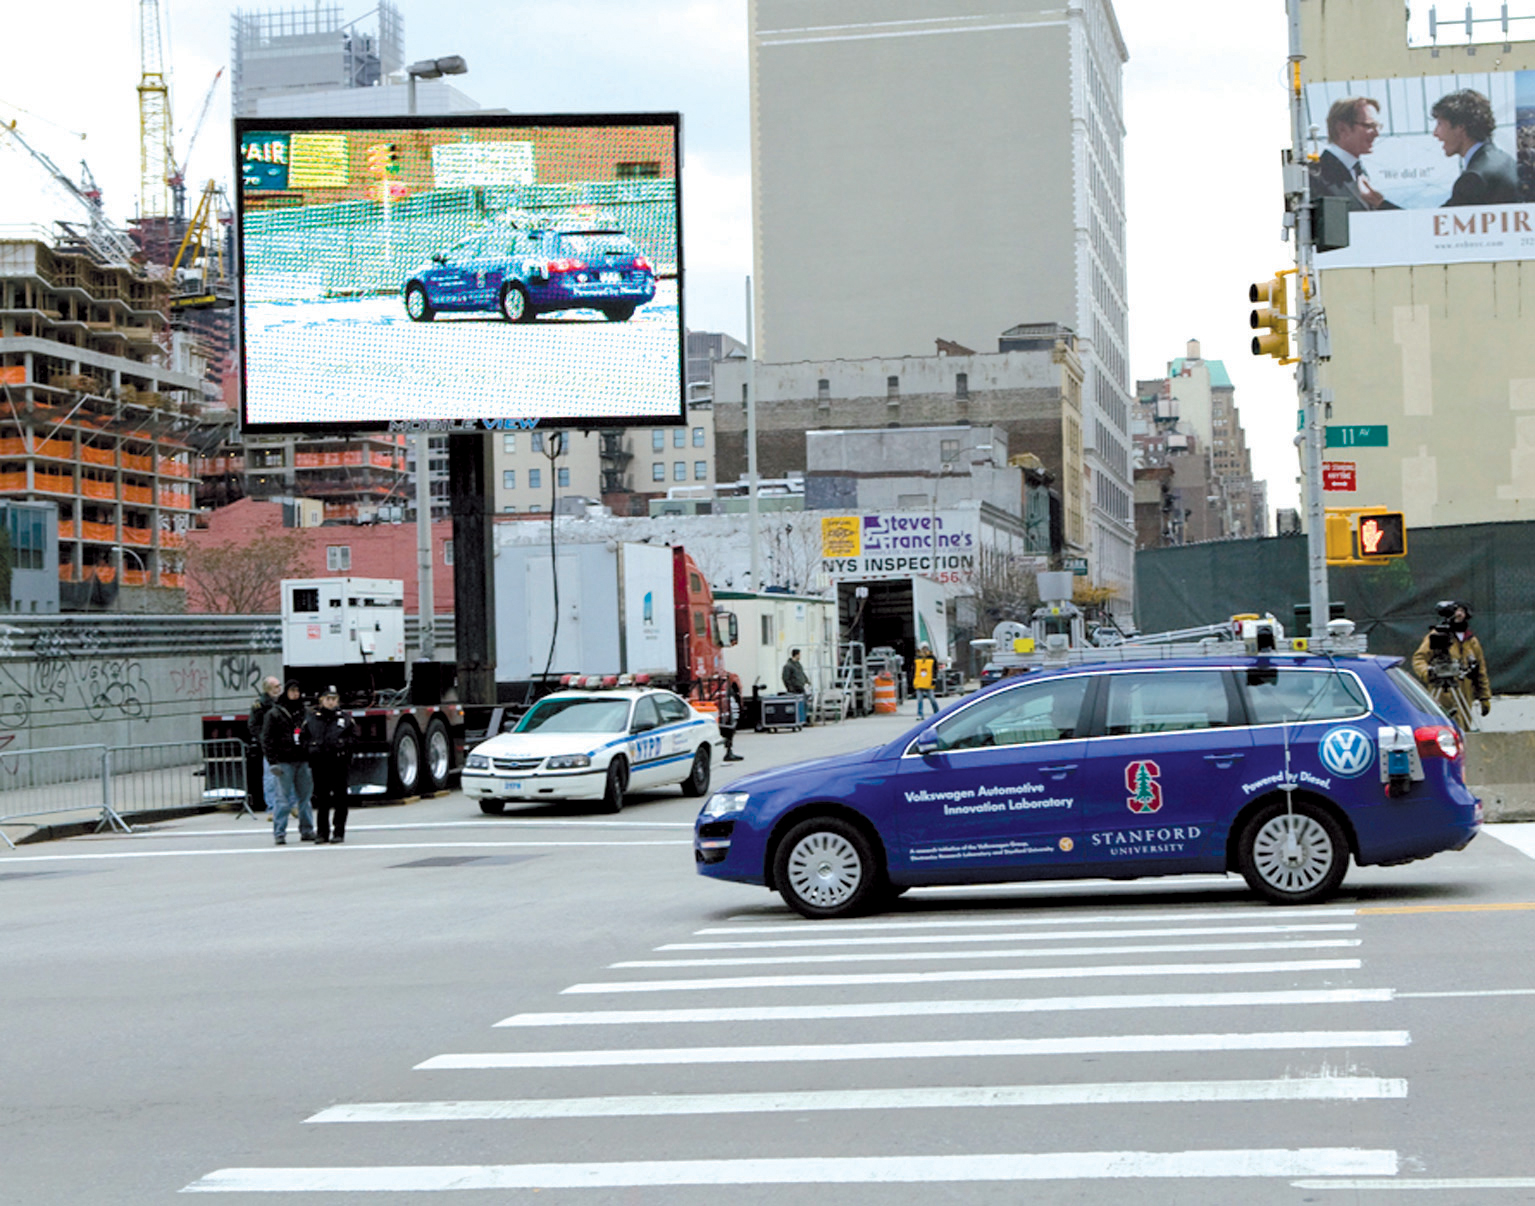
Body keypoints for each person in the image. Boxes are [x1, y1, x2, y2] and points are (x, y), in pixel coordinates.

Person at [1411, 601, 1492, 730]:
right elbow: (1419, 658)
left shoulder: (1472, 641)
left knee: (1463, 729)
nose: (1459, 614)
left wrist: (1484, 696)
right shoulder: (1436, 635)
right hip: (1442, 694)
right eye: (1456, 610)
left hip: (1464, 693)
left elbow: (1480, 669)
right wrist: (1428, 673)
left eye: (1462, 611)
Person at [1310, 96, 1399, 212]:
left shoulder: (1359, 172)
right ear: (1342, 129)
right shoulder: (1314, 176)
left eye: (1377, 126)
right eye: (1369, 126)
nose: (1377, 133)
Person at [1431, 89, 1518, 207]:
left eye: (1440, 124)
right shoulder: (1506, 160)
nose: (1435, 133)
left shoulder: (1473, 179)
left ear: (1460, 127)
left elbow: (1436, 223)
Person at [261, 679, 315, 845]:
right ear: (286, 692)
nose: (295, 694)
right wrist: (273, 762)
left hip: (303, 760)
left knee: (305, 799)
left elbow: (313, 735)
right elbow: (267, 739)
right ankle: (279, 832)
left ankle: (307, 830)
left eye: (297, 691)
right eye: (292, 691)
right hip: (284, 761)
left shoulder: (306, 713)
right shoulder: (275, 714)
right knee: (282, 800)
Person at [304, 684, 357, 845]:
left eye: (334, 699)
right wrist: (310, 749)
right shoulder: (312, 719)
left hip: (339, 763)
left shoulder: (345, 719)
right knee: (322, 799)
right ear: (321, 700)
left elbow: (354, 739)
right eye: (328, 699)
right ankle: (322, 833)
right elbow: (303, 738)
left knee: (340, 798)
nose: (331, 702)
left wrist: (343, 744)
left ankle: (339, 831)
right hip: (320, 764)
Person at [246, 675, 282, 814]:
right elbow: (253, 725)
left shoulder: (282, 702)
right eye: (275, 686)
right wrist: (264, 738)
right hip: (270, 745)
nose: (279, 689)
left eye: (279, 686)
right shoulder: (260, 705)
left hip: (284, 743)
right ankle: (272, 806)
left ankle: (291, 805)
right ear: (268, 689)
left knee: (289, 775)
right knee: (270, 776)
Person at [912, 643, 939, 720]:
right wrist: (913, 680)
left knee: (932, 698)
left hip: (928, 682)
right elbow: (913, 670)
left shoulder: (932, 658)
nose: (925, 649)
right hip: (919, 682)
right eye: (923, 648)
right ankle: (920, 714)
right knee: (919, 699)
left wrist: (934, 679)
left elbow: (935, 669)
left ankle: (937, 713)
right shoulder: (917, 658)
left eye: (926, 648)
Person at [721, 683, 744, 762]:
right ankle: (728, 751)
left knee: (730, 730)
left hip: (730, 712)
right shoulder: (730, 692)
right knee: (729, 730)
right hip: (729, 713)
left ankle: (728, 750)